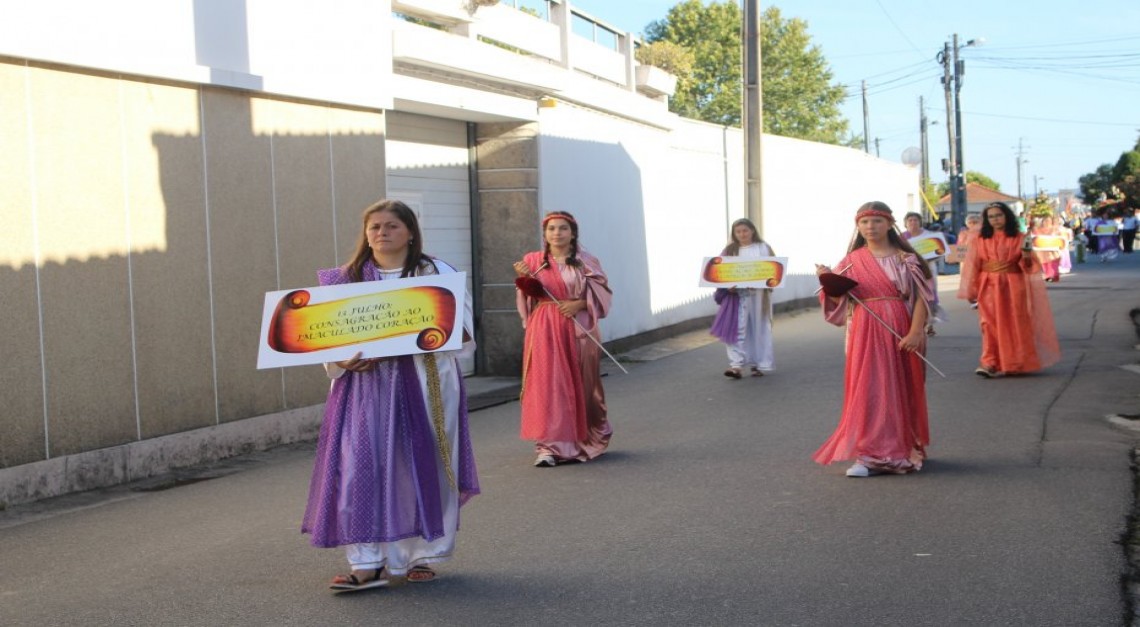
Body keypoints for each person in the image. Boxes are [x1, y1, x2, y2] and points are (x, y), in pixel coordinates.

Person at [302, 199, 480, 592]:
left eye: (391, 226)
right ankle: (367, 562)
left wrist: (430, 331)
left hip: (424, 379)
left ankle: (425, 554)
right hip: (365, 386)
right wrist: (343, 361)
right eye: (374, 227)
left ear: (410, 232)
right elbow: (326, 338)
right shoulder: (345, 280)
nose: (381, 233)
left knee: (424, 463)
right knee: (359, 467)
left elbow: (464, 332)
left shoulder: (436, 273)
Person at [813, 201, 935, 477]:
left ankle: (901, 447)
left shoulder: (907, 259)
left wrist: (916, 331)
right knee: (870, 388)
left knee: (898, 387)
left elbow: (922, 299)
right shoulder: (852, 261)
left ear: (890, 224)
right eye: (864, 222)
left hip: (900, 325)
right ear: (857, 226)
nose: (870, 227)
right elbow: (837, 299)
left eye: (877, 221)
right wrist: (827, 280)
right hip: (865, 329)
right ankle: (870, 455)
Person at [513, 211, 614, 467]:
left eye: (562, 228)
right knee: (549, 385)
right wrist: (525, 279)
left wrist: (579, 303)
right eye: (551, 229)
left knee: (583, 384)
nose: (556, 233)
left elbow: (602, 291)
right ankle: (548, 447)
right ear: (545, 234)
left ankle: (583, 438)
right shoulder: (533, 260)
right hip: (545, 327)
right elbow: (529, 297)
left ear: (572, 232)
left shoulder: (586, 261)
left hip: (580, 328)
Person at [957, 201, 1061, 378]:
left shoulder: (1020, 237)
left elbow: (1030, 266)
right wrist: (970, 289)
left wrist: (1027, 257)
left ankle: (1017, 361)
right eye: (991, 217)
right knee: (989, 324)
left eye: (998, 215)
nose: (995, 219)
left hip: (1014, 284)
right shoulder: (980, 239)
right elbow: (972, 265)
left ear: (1006, 216)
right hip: (988, 285)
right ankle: (989, 363)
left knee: (1015, 322)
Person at [709, 218, 775, 378]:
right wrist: (728, 285)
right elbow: (720, 272)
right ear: (734, 233)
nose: (742, 234)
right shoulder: (729, 251)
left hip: (758, 297)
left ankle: (758, 364)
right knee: (736, 328)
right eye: (738, 232)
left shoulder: (763, 248)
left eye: (745, 230)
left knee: (758, 329)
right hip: (736, 298)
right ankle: (736, 365)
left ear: (752, 230)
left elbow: (773, 271)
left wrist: (761, 283)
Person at [1031, 215, 1064, 282]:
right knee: (1044, 262)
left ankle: (1055, 274)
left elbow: (1061, 238)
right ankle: (1048, 274)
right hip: (1042, 249)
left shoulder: (1055, 229)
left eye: (1049, 221)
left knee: (1054, 261)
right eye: (1045, 221)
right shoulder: (1038, 229)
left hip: (1053, 249)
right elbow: (1034, 237)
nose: (1047, 222)